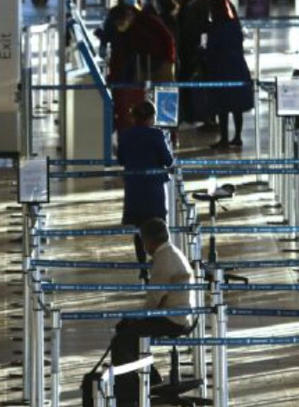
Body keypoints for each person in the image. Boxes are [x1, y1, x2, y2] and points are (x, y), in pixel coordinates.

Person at [110, 219, 196, 405]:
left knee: (121, 340)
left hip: (173, 319)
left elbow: (153, 303)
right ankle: (149, 379)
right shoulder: (172, 252)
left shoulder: (163, 260)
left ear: (149, 241)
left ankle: (130, 393)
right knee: (129, 334)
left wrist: (130, 319)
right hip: (182, 315)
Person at [117, 101, 174, 280]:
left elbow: (120, 159)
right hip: (154, 188)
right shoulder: (156, 135)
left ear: (133, 118)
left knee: (139, 229)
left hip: (134, 188)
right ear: (151, 118)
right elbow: (168, 160)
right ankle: (160, 265)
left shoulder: (125, 135)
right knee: (158, 227)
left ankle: (142, 267)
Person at [202, 0, 254, 149]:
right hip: (237, 67)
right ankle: (237, 136)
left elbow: (212, 49)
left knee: (222, 105)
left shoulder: (215, 28)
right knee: (237, 105)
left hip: (221, 69)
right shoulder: (234, 25)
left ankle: (224, 138)